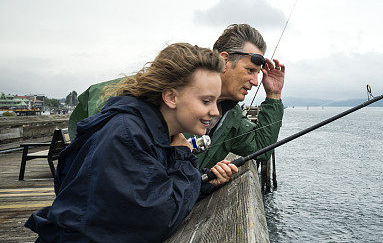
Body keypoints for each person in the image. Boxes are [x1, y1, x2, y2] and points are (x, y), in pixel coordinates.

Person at [0, 43, 238, 243]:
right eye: (206, 101)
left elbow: (142, 192)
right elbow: (153, 216)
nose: (215, 112)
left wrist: (201, 183)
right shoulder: (125, 133)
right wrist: (185, 161)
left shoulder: (149, 129)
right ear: (171, 97)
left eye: (216, 101)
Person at [68, 24, 286, 170]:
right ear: (225, 61)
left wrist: (274, 95)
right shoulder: (161, 94)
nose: (256, 81)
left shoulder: (231, 115)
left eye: (258, 74)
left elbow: (261, 147)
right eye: (250, 71)